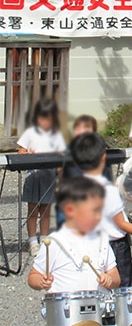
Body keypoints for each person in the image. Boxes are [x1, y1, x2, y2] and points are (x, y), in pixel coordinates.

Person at [71, 132, 132, 287]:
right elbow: (121, 223)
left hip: (90, 244)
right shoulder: (107, 189)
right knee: (122, 292)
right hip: (115, 246)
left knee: (97, 288)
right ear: (103, 158)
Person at [28, 177, 120, 293]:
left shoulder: (101, 240)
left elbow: (115, 274)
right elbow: (33, 275)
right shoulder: (54, 243)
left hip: (99, 307)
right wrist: (40, 281)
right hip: (65, 309)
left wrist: (110, 279)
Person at [18, 98, 66, 257]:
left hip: (49, 176)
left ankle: (45, 239)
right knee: (33, 209)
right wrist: (27, 155)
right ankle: (32, 241)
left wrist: (60, 171)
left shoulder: (57, 136)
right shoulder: (29, 133)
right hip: (33, 176)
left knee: (46, 209)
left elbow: (62, 157)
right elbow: (20, 154)